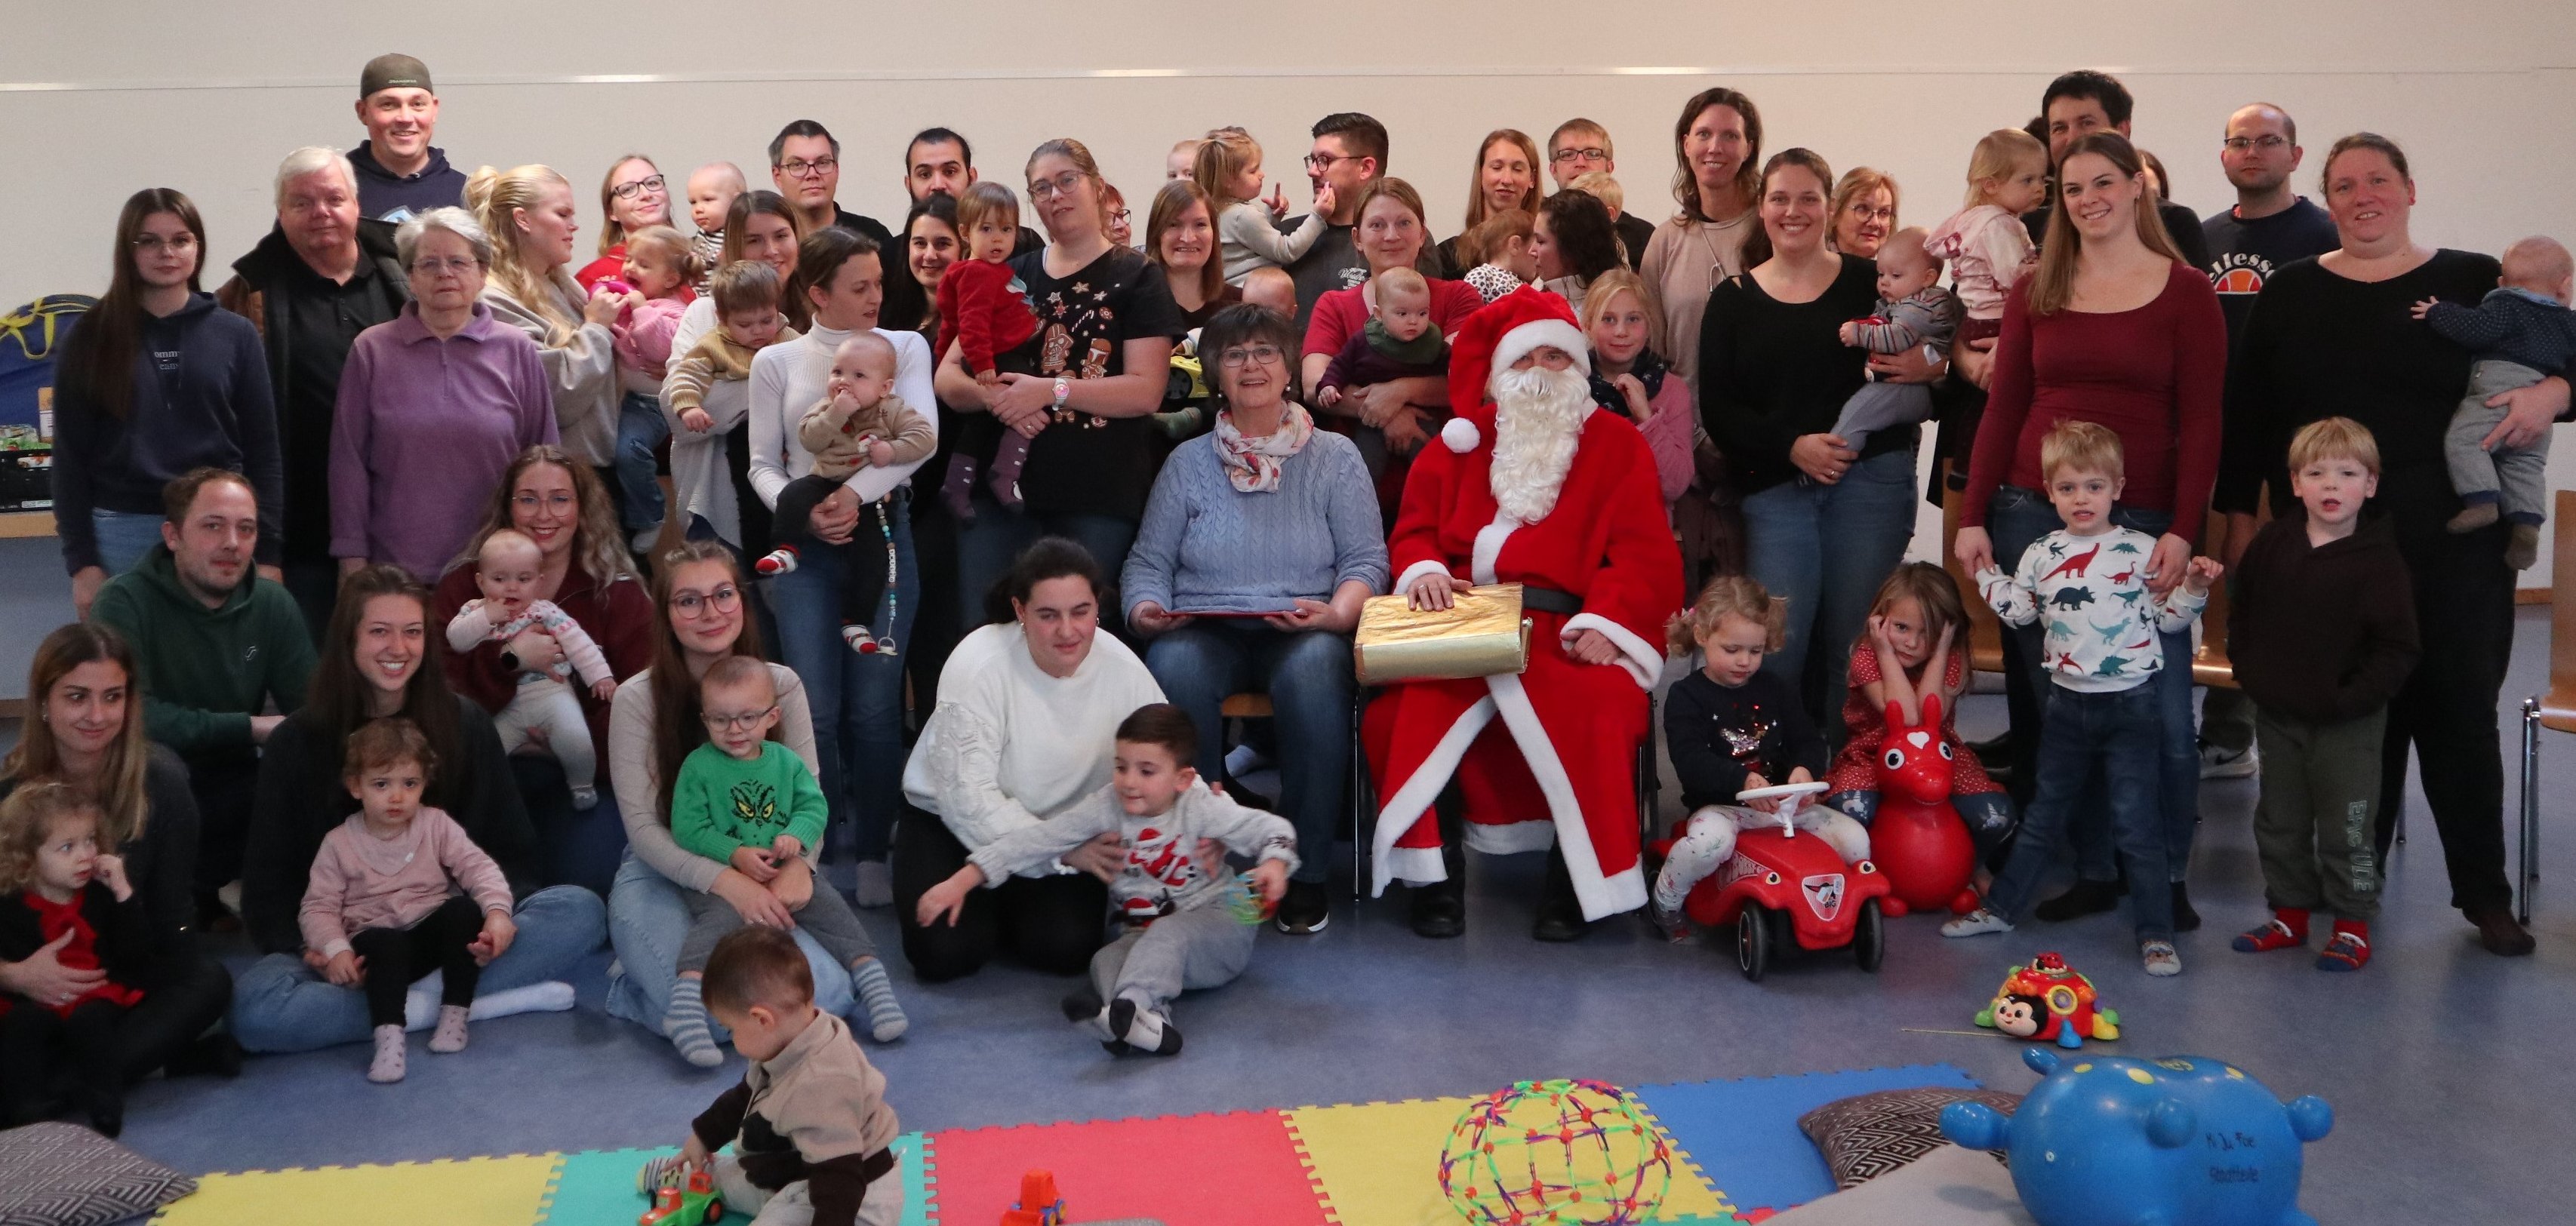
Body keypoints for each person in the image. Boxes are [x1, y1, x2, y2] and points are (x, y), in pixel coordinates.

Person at [2219, 134, 2569, 957]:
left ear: (2410, 189)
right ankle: (2351, 895)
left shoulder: (2469, 277)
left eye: (2377, 179)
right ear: (2326, 202)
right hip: (2328, 550)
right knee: (2346, 719)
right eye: (2343, 185)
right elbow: (2246, 416)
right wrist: (2238, 517)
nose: (2362, 194)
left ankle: (2483, 894)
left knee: (2457, 717)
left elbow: (2560, 352)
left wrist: (2553, 391)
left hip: (2454, 538)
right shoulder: (2293, 291)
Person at [1953, 133, 2227, 927]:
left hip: (2143, 523)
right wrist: (1972, 514)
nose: (2085, 199)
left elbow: (2203, 422)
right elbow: (2003, 405)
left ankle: (2165, 873)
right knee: (2063, 710)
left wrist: (2182, 528)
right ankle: (2098, 867)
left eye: (2101, 182)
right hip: (2032, 515)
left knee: (2165, 719)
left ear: (2136, 185)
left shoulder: (2184, 293)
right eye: (2070, 188)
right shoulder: (2036, 285)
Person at [1365, 289, 1682, 942]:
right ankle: (1436, 878)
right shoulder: (1461, 443)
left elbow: (1643, 555)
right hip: (1463, 622)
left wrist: (1608, 624)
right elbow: (1414, 530)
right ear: (1500, 373)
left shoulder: (1617, 443)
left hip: (1567, 631)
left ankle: (1576, 880)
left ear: (1578, 368)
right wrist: (1423, 572)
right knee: (1400, 711)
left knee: (1603, 707)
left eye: (1556, 358)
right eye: (1526, 358)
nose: (1540, 371)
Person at [229, 566, 602, 1052]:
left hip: (451, 934)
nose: (398, 648)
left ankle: (406, 1010)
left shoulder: (465, 724)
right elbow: (268, 885)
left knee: (581, 910)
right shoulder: (297, 741)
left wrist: (497, 917)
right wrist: (312, 952)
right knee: (256, 1009)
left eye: (412, 632)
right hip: (352, 949)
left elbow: (510, 851)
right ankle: (451, 1005)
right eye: (379, 632)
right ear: (348, 640)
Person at [1122, 304, 1385, 934]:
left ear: (1289, 365)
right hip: (1206, 626)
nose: (1250, 364)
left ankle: (1300, 873)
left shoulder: (1335, 456)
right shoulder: (1187, 462)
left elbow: (1366, 561)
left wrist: (1336, 615)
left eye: (1265, 350)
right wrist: (1145, 608)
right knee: (1174, 667)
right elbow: (1148, 561)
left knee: (1316, 679)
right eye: (1235, 354)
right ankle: (1200, 871)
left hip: (1305, 627)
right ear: (1214, 369)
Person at [1953, 420, 2219, 976]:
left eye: (2094, 486)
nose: (2081, 498)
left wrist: (2193, 588)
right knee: (2045, 813)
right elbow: (2022, 612)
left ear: (2117, 488)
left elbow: (2169, 621)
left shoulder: (2142, 550)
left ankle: (2155, 933)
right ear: (2049, 492)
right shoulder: (2041, 553)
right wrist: (1985, 577)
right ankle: (2000, 907)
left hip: (2131, 708)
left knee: (2136, 822)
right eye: (2069, 487)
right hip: (2067, 707)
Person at [918, 703, 1294, 1056]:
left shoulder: (1200, 809)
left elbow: (1271, 828)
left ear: (1182, 780)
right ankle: (1150, 1027)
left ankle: (1126, 1007)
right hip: (1144, 936)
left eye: (1146, 771)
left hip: (1219, 924)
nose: (1129, 782)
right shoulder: (1106, 806)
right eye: (1121, 766)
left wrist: (1274, 864)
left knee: (1169, 934)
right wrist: (963, 880)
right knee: (1104, 958)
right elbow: (1035, 841)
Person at [603, 541, 864, 1038]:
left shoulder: (783, 685)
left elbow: (811, 798)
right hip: (664, 870)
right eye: (689, 600)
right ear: (666, 613)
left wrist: (800, 864)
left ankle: (653, 977)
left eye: (723, 594)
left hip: (763, 867)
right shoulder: (636, 698)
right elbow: (642, 830)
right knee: (712, 1019)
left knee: (828, 999)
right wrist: (729, 883)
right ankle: (629, 985)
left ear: (742, 601)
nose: (711, 612)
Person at [752, 229, 939, 903]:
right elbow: (764, 463)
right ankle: (818, 844)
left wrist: (849, 498)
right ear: (817, 293)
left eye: (878, 286)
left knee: (874, 707)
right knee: (815, 710)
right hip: (805, 547)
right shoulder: (776, 360)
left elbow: (920, 442)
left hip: (884, 534)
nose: (874, 298)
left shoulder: (905, 346)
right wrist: (807, 513)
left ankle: (873, 850)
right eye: (858, 287)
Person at [934, 140, 1184, 641]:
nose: (1056, 195)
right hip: (1000, 500)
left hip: (1096, 496)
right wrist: (1000, 400)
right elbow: (947, 376)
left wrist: (1050, 391)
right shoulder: (1011, 274)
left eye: (1067, 180)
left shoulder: (1138, 275)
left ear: (1097, 186)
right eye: (1041, 188)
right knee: (987, 639)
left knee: (1081, 644)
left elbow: (1145, 391)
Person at [893, 539, 1167, 981]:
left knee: (1067, 949)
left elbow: (1165, 760)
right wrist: (1065, 853)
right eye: (1048, 615)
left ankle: (1007, 903)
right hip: (951, 824)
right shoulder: (978, 663)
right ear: (1020, 610)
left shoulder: (1124, 668)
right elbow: (971, 804)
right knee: (943, 953)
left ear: (1098, 606)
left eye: (1081, 612)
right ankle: (986, 900)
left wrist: (1196, 812)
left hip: (1063, 834)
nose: (1067, 631)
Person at [1700, 149, 1912, 717]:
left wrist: (1930, 370)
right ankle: (1780, 783)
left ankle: (1852, 783)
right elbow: (1718, 409)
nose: (1792, 211)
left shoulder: (1874, 284)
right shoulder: (1732, 299)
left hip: (1870, 485)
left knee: (1857, 648)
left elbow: (1924, 370)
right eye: (1778, 198)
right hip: (1776, 492)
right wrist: (1792, 445)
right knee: (1777, 648)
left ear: (1828, 207)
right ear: (1761, 209)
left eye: (1807, 198)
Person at [0, 625, 239, 1106]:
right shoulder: (8, 795)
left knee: (209, 983)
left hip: (118, 984)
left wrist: (139, 966)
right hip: (25, 989)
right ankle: (122, 1071)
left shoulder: (164, 785)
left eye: (113, 697)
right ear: (44, 703)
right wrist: (16, 975)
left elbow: (175, 923)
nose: (97, 715)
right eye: (77, 697)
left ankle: (51, 1092)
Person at [2227, 418, 2418, 973]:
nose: (2331, 485)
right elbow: (2244, 612)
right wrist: (2249, 672)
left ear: (2370, 484)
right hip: (2278, 715)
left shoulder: (2379, 561)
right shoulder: (2272, 544)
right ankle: (2289, 916)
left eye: (2347, 473)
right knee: (2278, 819)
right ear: (2295, 483)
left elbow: (2398, 648)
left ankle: (2352, 924)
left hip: (2347, 723)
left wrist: (2348, 701)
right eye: (2317, 473)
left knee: (2349, 825)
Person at [91, 469, 317, 928]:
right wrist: (249, 728)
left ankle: (293, 917)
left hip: (236, 774)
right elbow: (132, 718)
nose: (232, 542)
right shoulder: (122, 603)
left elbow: (313, 705)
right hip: (144, 777)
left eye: (246, 529)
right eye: (213, 526)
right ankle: (159, 915)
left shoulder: (273, 604)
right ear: (173, 536)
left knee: (323, 757)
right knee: (161, 769)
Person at [661, 657, 905, 1066]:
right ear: (705, 720)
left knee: (836, 915)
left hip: (781, 871)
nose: (734, 729)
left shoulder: (786, 762)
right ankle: (685, 1007)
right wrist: (733, 854)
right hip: (726, 879)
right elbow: (687, 828)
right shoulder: (698, 766)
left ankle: (876, 988)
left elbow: (814, 808)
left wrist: (798, 837)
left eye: (747, 717)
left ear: (772, 717)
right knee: (717, 926)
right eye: (720, 720)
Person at [433, 447, 655, 895]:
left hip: (584, 773)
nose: (544, 514)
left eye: (560, 499)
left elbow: (638, 702)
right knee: (470, 886)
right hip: (491, 769)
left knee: (591, 884)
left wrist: (565, 744)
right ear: (507, 507)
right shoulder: (466, 585)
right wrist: (509, 660)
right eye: (528, 499)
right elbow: (440, 688)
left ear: (581, 508)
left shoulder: (618, 594)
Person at [2193, 103, 2339, 784]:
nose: (2253, 152)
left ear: (2295, 153)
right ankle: (2219, 731)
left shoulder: (2326, 232)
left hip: (2295, 449)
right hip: (2214, 436)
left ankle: (2277, 735)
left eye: (2268, 141)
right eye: (2240, 142)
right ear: (2223, 156)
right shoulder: (2200, 236)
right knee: (2223, 583)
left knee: (2288, 591)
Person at [53, 188, 281, 615]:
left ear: (198, 246)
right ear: (128, 249)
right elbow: (68, 458)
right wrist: (82, 563)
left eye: (181, 240)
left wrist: (268, 554)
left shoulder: (236, 335)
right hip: (122, 532)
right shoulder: (89, 336)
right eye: (150, 241)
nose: (167, 252)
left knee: (216, 668)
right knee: (130, 672)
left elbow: (264, 452)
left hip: (218, 528)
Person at [217, 147, 415, 632]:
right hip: (302, 530)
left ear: (356, 204)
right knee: (314, 681)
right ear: (280, 214)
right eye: (302, 203)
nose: (321, 213)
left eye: (333, 198)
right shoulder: (247, 295)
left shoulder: (409, 275)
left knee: (401, 666)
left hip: (401, 521)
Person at [328, 207, 556, 582]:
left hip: (498, 574)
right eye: (429, 263)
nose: (445, 273)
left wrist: (540, 558)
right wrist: (352, 561)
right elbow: (348, 465)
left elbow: (543, 462)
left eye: (459, 262)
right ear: (410, 277)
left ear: (482, 273)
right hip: (396, 575)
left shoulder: (517, 349)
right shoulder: (372, 350)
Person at [297, 717, 515, 1083]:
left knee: (463, 909)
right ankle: (389, 1038)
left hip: (430, 938)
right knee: (385, 942)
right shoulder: (338, 842)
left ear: (424, 784)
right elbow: (318, 907)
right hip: (376, 946)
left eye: (409, 784)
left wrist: (497, 913)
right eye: (381, 784)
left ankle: (455, 1011)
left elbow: (477, 867)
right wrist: (337, 950)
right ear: (356, 786)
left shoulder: (436, 824)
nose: (397, 797)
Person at [660, 926, 906, 1226]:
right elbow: (744, 1098)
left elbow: (839, 1179)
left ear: (762, 1019)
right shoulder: (789, 1038)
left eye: (730, 1029)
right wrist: (702, 1139)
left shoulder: (821, 1085)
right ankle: (683, 1174)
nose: (733, 1040)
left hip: (854, 1197)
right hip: (796, 1170)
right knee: (733, 1176)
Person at [1647, 576, 1845, 941]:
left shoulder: (1775, 688)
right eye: (1733, 649)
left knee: (1854, 842)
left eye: (1755, 652)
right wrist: (1741, 781)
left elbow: (1807, 739)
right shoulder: (1686, 696)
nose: (1744, 661)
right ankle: (1666, 899)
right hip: (1723, 807)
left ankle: (1829, 911)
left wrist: (1804, 769)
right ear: (1703, 636)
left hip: (1784, 805)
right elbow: (1690, 761)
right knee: (1711, 845)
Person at [1297, 179, 1484, 514]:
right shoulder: (1334, 305)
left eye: (1404, 223)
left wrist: (1399, 391)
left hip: (1442, 495)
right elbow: (1315, 385)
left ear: (1422, 234)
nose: (1391, 235)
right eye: (1377, 225)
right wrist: (1388, 414)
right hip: (1353, 496)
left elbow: (1468, 379)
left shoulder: (1458, 296)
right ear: (1357, 238)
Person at [756, 332, 935, 657]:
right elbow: (810, 440)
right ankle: (786, 549)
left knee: (873, 559)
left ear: (884, 388)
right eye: (838, 372)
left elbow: (926, 439)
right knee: (792, 495)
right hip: (824, 481)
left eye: (859, 376)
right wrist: (837, 412)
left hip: (872, 499)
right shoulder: (826, 407)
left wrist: (892, 451)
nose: (844, 382)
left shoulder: (890, 410)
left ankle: (856, 622)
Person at [1821, 563, 2012, 853]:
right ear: (1880, 620)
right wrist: (1886, 652)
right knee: (1852, 811)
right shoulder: (1868, 656)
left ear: (1948, 631)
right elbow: (1908, 719)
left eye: (1928, 633)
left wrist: (1940, 652)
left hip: (1939, 758)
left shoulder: (1949, 658)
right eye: (1901, 628)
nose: (1912, 643)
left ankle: (1971, 868)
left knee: (1996, 818)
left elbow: (1927, 720)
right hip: (1870, 757)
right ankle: (1873, 867)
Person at [0, 785, 152, 1134]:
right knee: (22, 1024)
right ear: (28, 857)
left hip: (95, 994)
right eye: (67, 848)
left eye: (90, 841)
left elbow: (136, 953)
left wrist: (123, 891)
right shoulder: (10, 905)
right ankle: (29, 1106)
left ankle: (105, 1103)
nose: (85, 855)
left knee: (91, 1022)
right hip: (35, 999)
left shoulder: (99, 896)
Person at [663, 192, 807, 560]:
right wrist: (771, 385)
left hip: (803, 501)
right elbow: (677, 413)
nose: (771, 250)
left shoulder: (815, 315)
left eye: (781, 235)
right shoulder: (705, 314)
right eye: (754, 240)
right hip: (719, 504)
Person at [2417, 235, 2574, 567]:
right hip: (2538, 404)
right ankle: (2528, 523)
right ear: (2566, 286)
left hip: (2500, 389)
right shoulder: (2568, 322)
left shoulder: (2506, 304)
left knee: (2466, 440)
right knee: (2525, 464)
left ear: (2503, 283)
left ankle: (2482, 501)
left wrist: (2438, 312)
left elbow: (2477, 329)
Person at [466, 164, 624, 478]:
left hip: (589, 469)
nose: (574, 226)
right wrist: (596, 329)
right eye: (563, 214)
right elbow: (556, 399)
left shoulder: (560, 283)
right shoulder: (492, 299)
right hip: (551, 478)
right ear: (523, 219)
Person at [447, 530, 621, 809]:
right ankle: (482, 801)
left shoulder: (545, 611)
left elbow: (578, 643)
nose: (512, 587)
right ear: (480, 581)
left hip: (550, 692)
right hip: (506, 702)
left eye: (523, 579)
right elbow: (456, 640)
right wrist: (486, 617)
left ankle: (581, 784)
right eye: (499, 579)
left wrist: (599, 676)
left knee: (576, 739)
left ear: (538, 582)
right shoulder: (474, 610)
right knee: (485, 753)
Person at [2025, 71, 2211, 272]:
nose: (2072, 138)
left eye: (2086, 123)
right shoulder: (2028, 227)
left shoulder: (2174, 224)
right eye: (2059, 128)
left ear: (2123, 130)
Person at [1640, 87, 1762, 391]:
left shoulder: (1771, 231)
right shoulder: (1665, 241)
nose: (1715, 147)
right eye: (1704, 134)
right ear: (1686, 144)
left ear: (1749, 147)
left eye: (1730, 136)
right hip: (1685, 427)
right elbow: (1651, 349)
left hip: (1760, 429)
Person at [931, 183, 1042, 518]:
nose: (997, 239)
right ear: (965, 232)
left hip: (999, 354)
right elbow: (971, 324)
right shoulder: (978, 273)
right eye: (987, 229)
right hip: (995, 358)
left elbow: (951, 323)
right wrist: (982, 368)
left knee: (980, 426)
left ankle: (958, 485)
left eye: (1006, 229)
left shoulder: (991, 271)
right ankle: (1004, 475)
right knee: (1027, 410)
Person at [1283, 113, 1436, 334]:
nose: (1312, 171)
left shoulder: (1403, 239)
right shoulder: (1287, 237)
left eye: (1325, 160)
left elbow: (1426, 314)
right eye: (1312, 160)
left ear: (1365, 168)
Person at [605, 225, 705, 552]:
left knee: (628, 450)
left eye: (644, 265)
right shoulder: (634, 302)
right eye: (629, 259)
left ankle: (649, 513)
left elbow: (659, 348)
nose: (631, 268)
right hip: (620, 398)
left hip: (652, 404)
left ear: (672, 279)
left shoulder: (675, 310)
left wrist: (639, 308)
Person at [1830, 229, 1959, 451]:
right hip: (1910, 387)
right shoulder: (1905, 300)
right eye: (1881, 275)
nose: (1884, 283)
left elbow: (1899, 337)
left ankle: (1837, 454)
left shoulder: (1918, 307)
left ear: (1928, 278)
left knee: (1859, 412)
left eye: (1895, 276)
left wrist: (1859, 334)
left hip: (1912, 387)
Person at [1581, 269, 1694, 511]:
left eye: (1633, 319)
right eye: (1608, 319)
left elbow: (1675, 485)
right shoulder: (1571, 386)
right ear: (1588, 325)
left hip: (1644, 531)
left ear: (1648, 325)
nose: (1621, 331)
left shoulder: (1671, 391)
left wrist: (1647, 419)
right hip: (1581, 528)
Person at [1925, 129, 2047, 351]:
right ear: (1991, 184)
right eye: (2027, 180)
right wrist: (2048, 269)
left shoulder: (1974, 217)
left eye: (2042, 179)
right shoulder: (1997, 225)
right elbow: (2014, 277)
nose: (2039, 188)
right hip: (1997, 320)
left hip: (1976, 318)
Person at [1196, 128, 1336, 284]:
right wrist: (1317, 217)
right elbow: (1287, 251)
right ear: (1227, 180)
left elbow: (1250, 242)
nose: (1262, 175)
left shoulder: (1221, 211)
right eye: (1253, 171)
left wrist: (1271, 217)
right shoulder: (1242, 216)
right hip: (1252, 297)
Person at [348, 54, 464, 223]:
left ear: (434, 109)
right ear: (362, 112)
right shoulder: (335, 193)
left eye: (417, 104)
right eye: (388, 105)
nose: (405, 118)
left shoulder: (467, 195)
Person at [1315, 267, 1448, 410]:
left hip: (1424, 414)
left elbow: (1455, 368)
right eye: (1403, 314)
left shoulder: (1432, 341)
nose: (1413, 321)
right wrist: (1330, 384)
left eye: (1422, 313)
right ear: (1379, 314)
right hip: (1371, 415)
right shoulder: (1363, 341)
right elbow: (1340, 365)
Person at [1548, 118, 1654, 269]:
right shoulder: (1535, 229)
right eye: (1567, 154)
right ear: (1553, 170)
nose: (1580, 162)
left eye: (1592, 154)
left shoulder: (1643, 236)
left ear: (1609, 167)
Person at [1433, 130, 1542, 278]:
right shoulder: (1448, 255)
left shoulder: (1548, 253)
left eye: (1517, 169)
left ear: (1532, 179)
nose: (1507, 180)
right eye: (1497, 168)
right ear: (1480, 174)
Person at [771, 120, 894, 250]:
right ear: (777, 176)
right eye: (797, 165)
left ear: (837, 170)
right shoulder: (767, 244)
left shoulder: (872, 235)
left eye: (823, 163)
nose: (812, 174)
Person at [1144, 179, 1238, 330]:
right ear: (1156, 234)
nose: (1188, 238)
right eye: (1174, 225)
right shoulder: (1135, 308)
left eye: (1200, 225)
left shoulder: (1239, 307)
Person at [576, 155, 673, 291]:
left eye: (652, 183)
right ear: (612, 212)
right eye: (628, 189)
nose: (646, 194)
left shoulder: (698, 263)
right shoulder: (592, 277)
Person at [1528, 189, 1623, 316]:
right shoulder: (1537, 287)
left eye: (1540, 241)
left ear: (1571, 247)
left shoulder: (1604, 311)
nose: (1531, 251)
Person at [685, 162, 747, 293]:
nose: (698, 209)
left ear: (736, 201)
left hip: (724, 298)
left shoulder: (739, 233)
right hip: (696, 299)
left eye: (708, 199)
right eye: (693, 202)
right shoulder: (702, 234)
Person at [1457, 208, 1537, 303]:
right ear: (1515, 245)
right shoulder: (1482, 276)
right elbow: (1465, 311)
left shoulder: (1525, 286)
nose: (1538, 254)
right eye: (1536, 245)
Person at [1827, 167, 1898, 259]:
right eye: (1863, 209)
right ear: (1834, 211)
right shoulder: (1809, 268)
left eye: (1884, 213)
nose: (1875, 223)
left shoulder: (1900, 271)